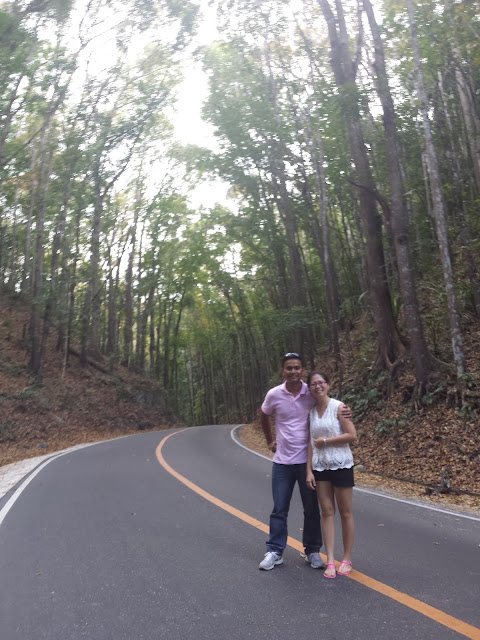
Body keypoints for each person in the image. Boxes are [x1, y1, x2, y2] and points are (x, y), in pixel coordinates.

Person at [258, 353, 351, 571]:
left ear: (302, 370)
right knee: (279, 508)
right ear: (283, 371)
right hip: (282, 462)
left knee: (311, 509)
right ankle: (275, 551)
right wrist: (270, 440)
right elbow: (263, 414)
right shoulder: (274, 394)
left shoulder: (310, 392)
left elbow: (328, 403)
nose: (293, 371)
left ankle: (312, 551)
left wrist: (345, 410)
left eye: (297, 368)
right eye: (289, 368)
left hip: (308, 462)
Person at [306, 371, 357, 579]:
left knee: (345, 512)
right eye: (313, 384)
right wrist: (308, 470)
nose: (318, 386)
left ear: (328, 385)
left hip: (341, 463)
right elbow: (311, 443)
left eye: (321, 383)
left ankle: (346, 558)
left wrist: (326, 442)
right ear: (310, 388)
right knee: (326, 511)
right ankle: (330, 560)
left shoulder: (339, 407)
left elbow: (352, 435)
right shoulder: (311, 412)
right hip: (320, 467)